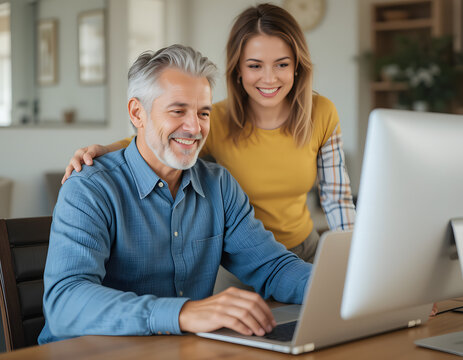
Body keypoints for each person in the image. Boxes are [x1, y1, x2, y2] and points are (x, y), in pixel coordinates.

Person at [38, 45, 312, 344]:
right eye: (178, 111)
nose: (194, 127)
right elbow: (65, 303)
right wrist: (183, 313)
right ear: (137, 113)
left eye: (203, 112)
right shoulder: (90, 188)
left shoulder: (219, 186)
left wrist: (346, 286)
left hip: (178, 350)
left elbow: (272, 267)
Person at [62, 3, 355, 265]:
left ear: (297, 67)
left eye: (282, 64)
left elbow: (337, 198)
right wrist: (102, 149)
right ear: (238, 69)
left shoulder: (321, 112)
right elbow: (156, 139)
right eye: (255, 66)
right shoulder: (211, 119)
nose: (269, 78)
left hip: (307, 247)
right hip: (241, 257)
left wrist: (352, 259)